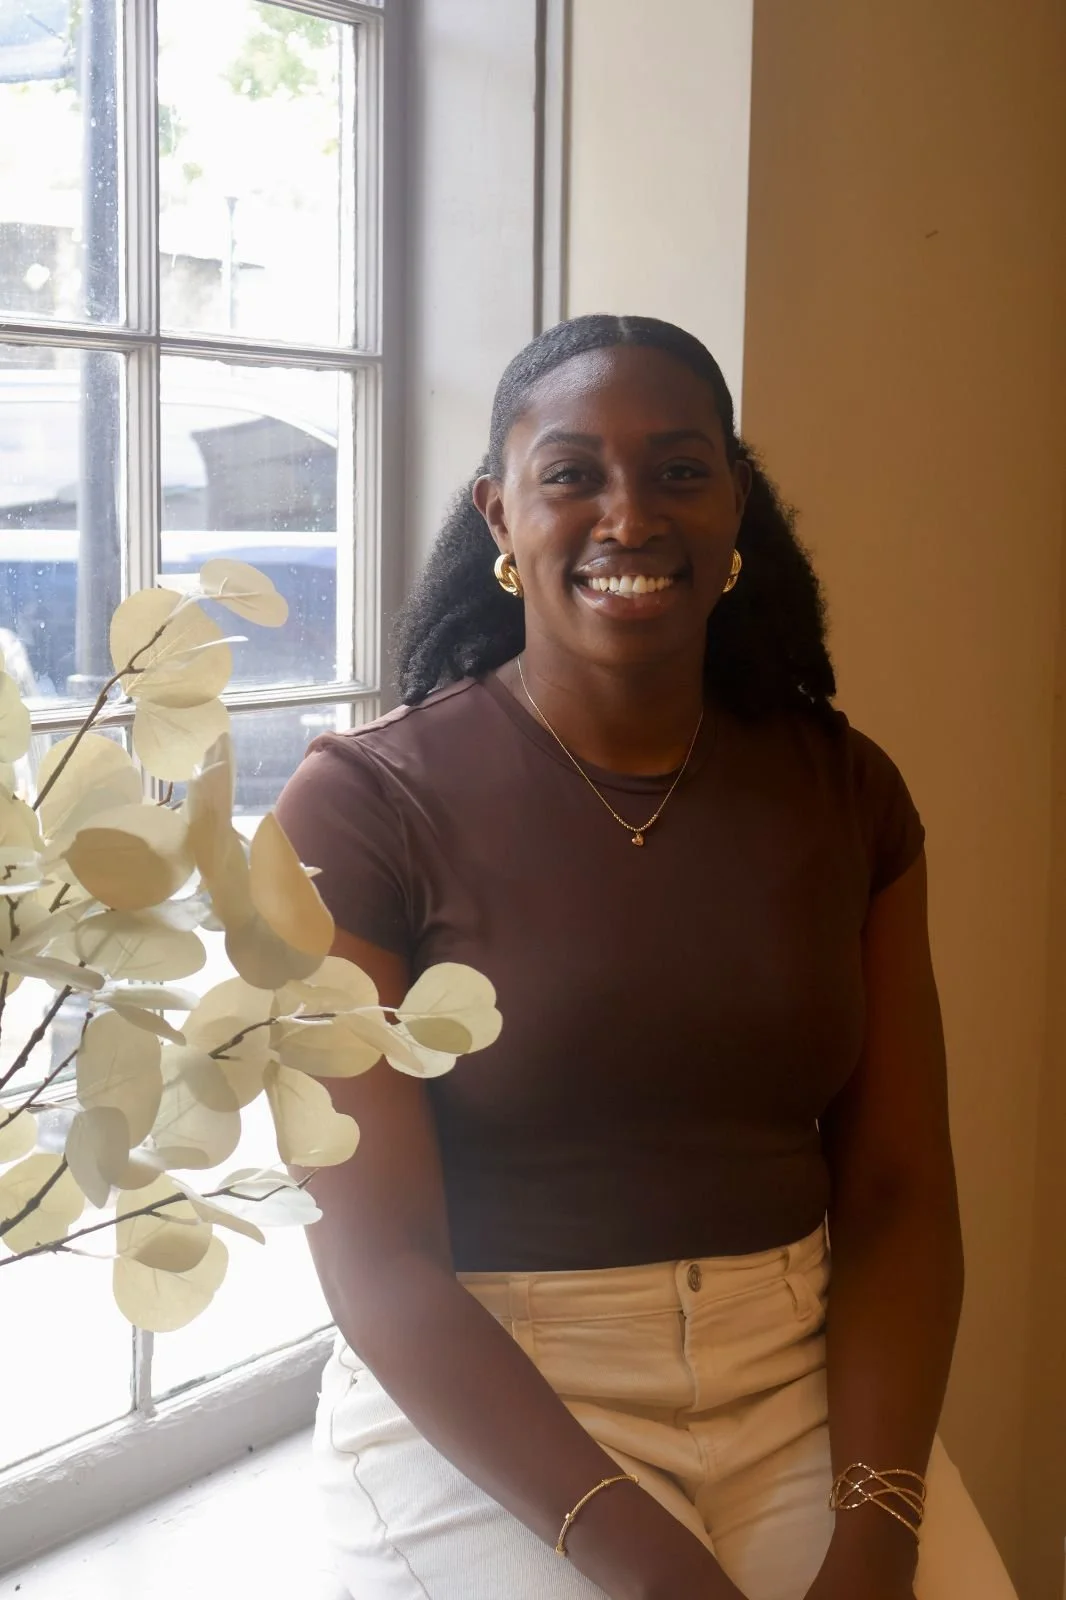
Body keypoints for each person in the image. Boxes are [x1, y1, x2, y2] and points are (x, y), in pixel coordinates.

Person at [275, 314, 1018, 1600]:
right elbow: (374, 1253)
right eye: (572, 475)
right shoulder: (360, 806)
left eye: (679, 471)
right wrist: (660, 1571)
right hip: (496, 1394)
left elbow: (898, 1187)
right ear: (499, 515)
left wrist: (878, 1532)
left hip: (799, 1378)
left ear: (736, 504)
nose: (628, 515)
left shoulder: (845, 789)